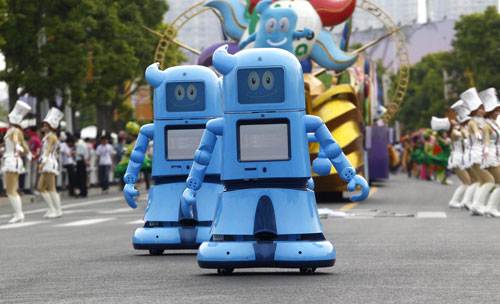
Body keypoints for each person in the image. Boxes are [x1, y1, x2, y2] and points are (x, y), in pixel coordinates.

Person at [461, 88, 496, 215]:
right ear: (474, 110)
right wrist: (478, 136)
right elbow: (475, 132)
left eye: (483, 108)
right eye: (480, 108)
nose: (483, 110)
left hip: (481, 151)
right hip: (476, 152)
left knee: (483, 181)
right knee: (489, 180)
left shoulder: (484, 121)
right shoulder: (472, 122)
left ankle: (475, 204)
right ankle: (476, 204)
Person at [1, 101, 32, 223]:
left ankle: (19, 214)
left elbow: (16, 142)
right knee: (12, 189)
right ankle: (18, 213)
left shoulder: (14, 131)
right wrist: (27, 153)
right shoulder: (15, 130)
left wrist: (17, 147)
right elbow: (24, 147)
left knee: (11, 190)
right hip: (12, 158)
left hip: (11, 160)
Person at [38, 107, 64, 218]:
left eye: (46, 125)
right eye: (43, 125)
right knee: (40, 187)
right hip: (48, 161)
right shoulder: (48, 136)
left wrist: (43, 161)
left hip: (49, 162)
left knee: (51, 187)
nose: (44, 127)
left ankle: (57, 210)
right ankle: (51, 208)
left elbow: (48, 150)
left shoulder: (52, 136)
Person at [73, 131, 88, 197]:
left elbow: (81, 154)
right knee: (83, 177)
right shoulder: (82, 143)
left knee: (80, 178)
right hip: (82, 161)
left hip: (80, 162)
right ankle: (83, 192)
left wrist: (85, 161)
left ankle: (82, 192)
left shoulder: (79, 143)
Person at [28, 127, 42, 194]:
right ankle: (33, 189)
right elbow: (39, 150)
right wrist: (37, 155)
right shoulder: (37, 139)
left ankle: (31, 188)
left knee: (31, 174)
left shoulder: (31, 139)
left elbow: (30, 148)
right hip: (35, 159)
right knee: (34, 174)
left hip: (30, 158)